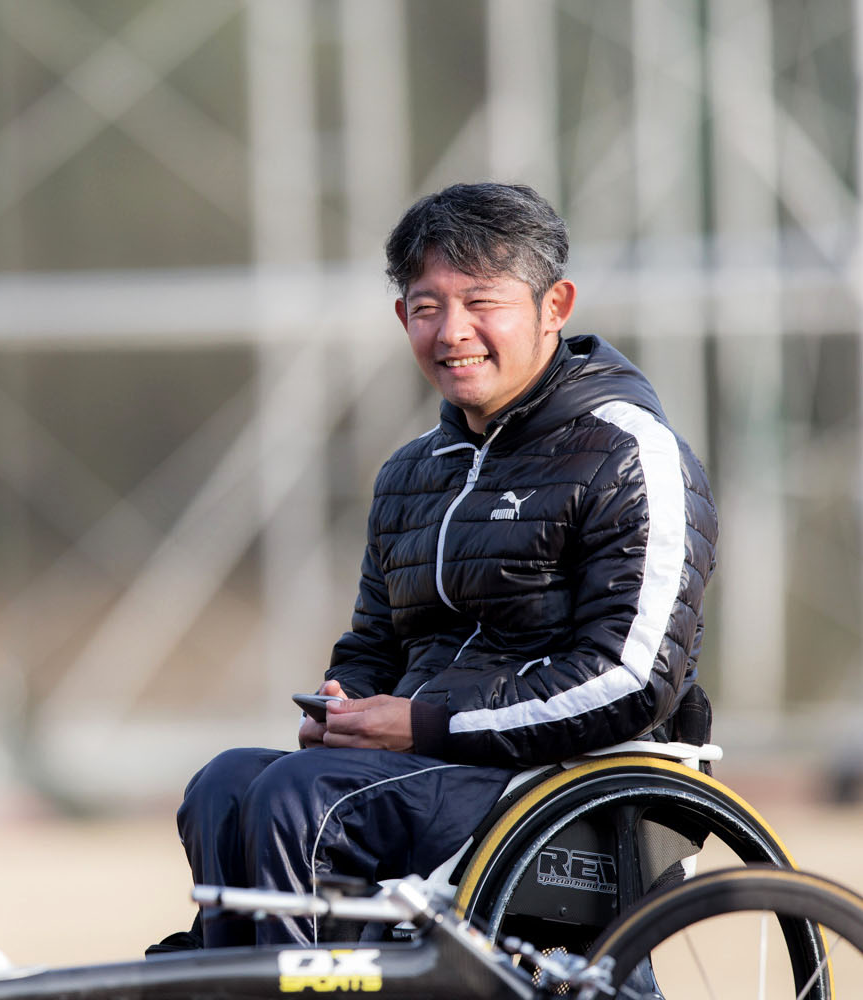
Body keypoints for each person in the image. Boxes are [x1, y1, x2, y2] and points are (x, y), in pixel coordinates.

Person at [170, 182, 717, 948]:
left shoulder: (631, 453)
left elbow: (634, 681)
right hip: (425, 764)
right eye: (427, 308)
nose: (453, 332)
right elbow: (373, 644)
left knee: (300, 799)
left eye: (481, 302)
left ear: (554, 306)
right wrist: (347, 704)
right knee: (225, 784)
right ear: (403, 318)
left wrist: (427, 724)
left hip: (559, 779)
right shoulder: (410, 472)